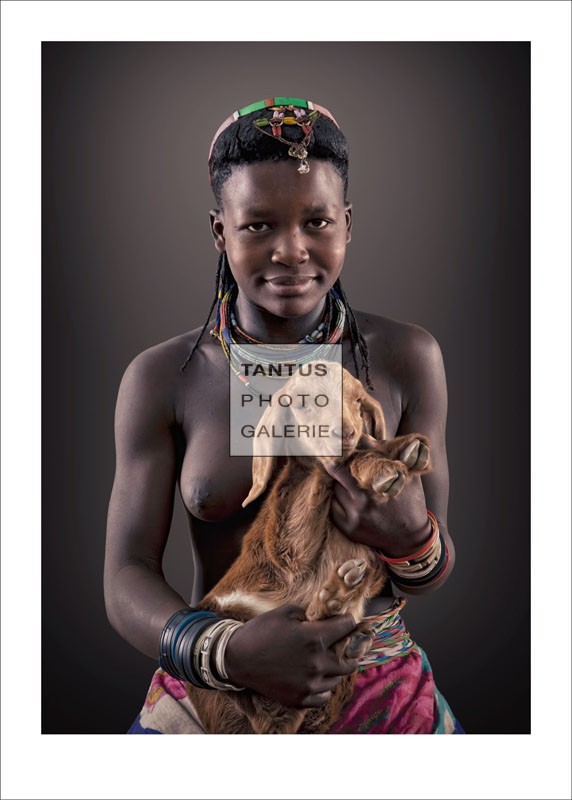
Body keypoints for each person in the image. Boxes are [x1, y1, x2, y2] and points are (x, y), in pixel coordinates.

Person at [104, 96, 464, 734]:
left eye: (317, 222)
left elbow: (430, 572)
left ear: (347, 224)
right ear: (220, 232)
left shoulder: (406, 357)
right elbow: (125, 575)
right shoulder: (164, 378)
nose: (291, 250)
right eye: (258, 226)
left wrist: (412, 539)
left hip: (378, 687)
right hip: (216, 688)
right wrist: (229, 654)